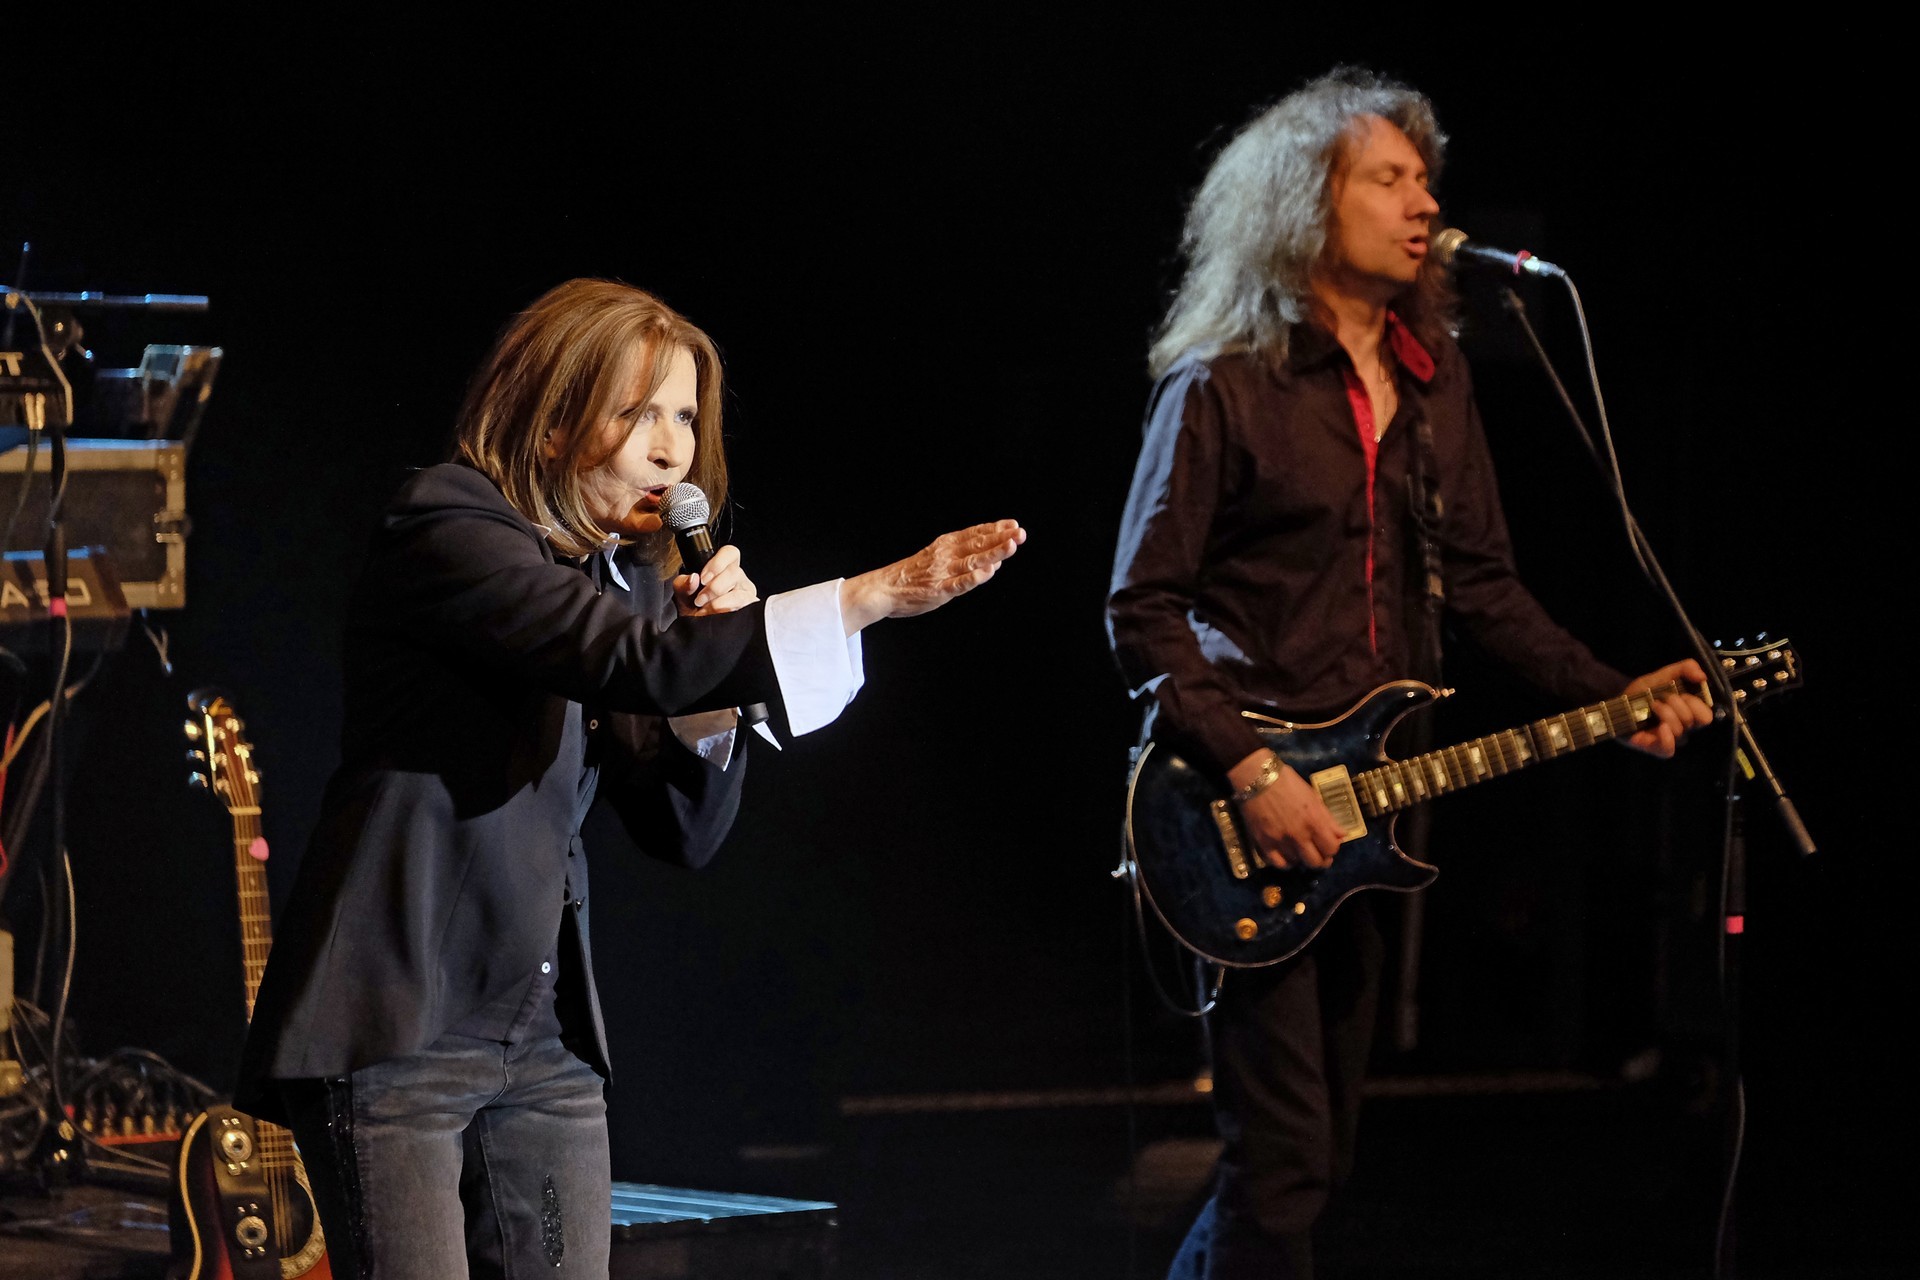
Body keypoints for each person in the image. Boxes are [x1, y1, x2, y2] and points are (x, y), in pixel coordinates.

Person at [234, 278, 1024, 1279]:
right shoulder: (449, 523)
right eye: (639, 412)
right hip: (399, 1023)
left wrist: (714, 674)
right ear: (554, 423)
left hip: (544, 1037)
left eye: (685, 417)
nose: (671, 449)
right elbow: (628, 662)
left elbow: (681, 829)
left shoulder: (627, 580)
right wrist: (867, 598)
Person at [1105, 69, 1712, 1280]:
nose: (1425, 201)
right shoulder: (1225, 379)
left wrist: (1611, 692)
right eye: (1388, 178)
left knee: (1316, 1158)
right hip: (1238, 805)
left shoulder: (1434, 378)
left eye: (1425, 178)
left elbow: (1483, 586)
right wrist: (1254, 769)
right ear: (1304, 203)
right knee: (1282, 1163)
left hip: (1366, 809)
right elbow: (1141, 608)